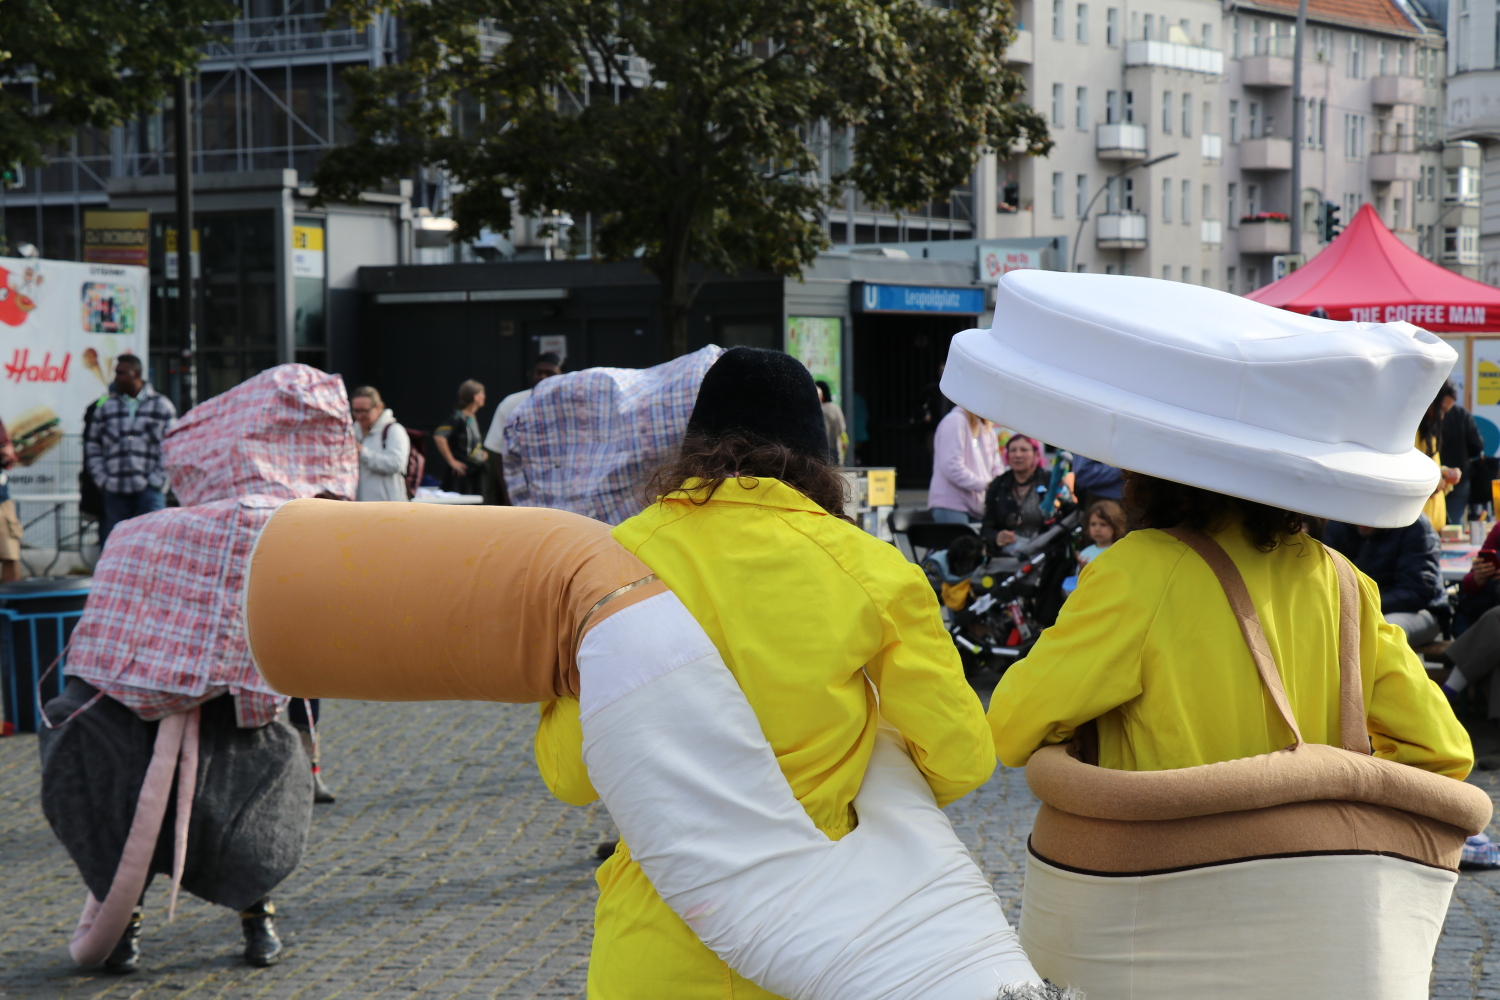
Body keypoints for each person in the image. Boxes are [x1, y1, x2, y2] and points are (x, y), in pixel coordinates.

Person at [948, 270, 1477, 998]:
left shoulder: (1139, 573)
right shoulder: (1345, 584)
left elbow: (1011, 727)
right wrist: (1317, 788)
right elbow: (1444, 751)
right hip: (1313, 945)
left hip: (1159, 927)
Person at [534, 346, 996, 998]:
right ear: (817, 458)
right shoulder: (873, 571)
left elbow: (571, 774)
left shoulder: (615, 560)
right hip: (812, 943)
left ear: (692, 447)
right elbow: (963, 758)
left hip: (653, 944)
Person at [38, 364, 357, 975]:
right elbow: (109, 628)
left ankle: (256, 915)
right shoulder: (154, 532)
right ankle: (127, 922)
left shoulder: (181, 529)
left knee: (248, 817)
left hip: (226, 714)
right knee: (126, 813)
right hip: (134, 710)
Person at [84, 354, 177, 546]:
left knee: (154, 544)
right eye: (116, 373)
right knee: (117, 546)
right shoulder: (106, 407)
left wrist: (158, 480)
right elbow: (92, 445)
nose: (116, 378)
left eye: (122, 373)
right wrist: (103, 479)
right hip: (115, 489)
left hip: (149, 490)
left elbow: (173, 446)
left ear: (137, 374)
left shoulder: (161, 405)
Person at [1322, 517, 1448, 647]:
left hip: (1419, 610)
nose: (1363, 518)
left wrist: (1362, 606)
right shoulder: (1339, 523)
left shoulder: (1414, 524)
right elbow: (1328, 579)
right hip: (1357, 608)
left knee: (1381, 633)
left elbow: (1416, 593)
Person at [483, 353, 561, 505]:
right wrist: (507, 495)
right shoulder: (511, 404)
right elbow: (499, 453)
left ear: (562, 375)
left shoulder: (574, 406)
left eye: (550, 373)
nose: (543, 377)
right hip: (523, 496)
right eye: (539, 372)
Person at [980, 434, 1071, 555]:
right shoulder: (997, 485)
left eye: (1024, 450)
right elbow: (986, 528)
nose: (1018, 455)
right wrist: (997, 536)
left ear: (1036, 454)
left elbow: (1068, 516)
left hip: (1046, 552)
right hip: (1007, 555)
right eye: (1013, 450)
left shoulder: (1050, 481)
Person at [928, 405, 1004, 523]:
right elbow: (952, 466)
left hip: (978, 505)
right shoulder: (955, 421)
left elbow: (996, 465)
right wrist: (985, 485)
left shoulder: (987, 428)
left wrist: (999, 482)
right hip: (951, 503)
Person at [1417, 380, 1463, 532]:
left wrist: (1444, 474)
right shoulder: (1410, 434)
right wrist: (1434, 481)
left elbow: (1430, 470)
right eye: (1441, 410)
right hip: (1419, 529)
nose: (1442, 417)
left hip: (1433, 527)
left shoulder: (1429, 435)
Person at [350, 386, 410, 502]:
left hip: (389, 507)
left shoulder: (394, 430)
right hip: (359, 507)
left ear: (379, 407)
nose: (359, 416)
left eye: (364, 411)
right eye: (356, 411)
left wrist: (363, 453)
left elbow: (397, 464)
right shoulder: (353, 431)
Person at [432, 379, 487, 496]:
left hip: (473, 475)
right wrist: (452, 461)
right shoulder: (458, 418)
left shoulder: (472, 417)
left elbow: (468, 444)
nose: (484, 396)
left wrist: (479, 453)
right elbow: (439, 436)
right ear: (475, 397)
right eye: (482, 393)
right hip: (461, 477)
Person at [1442, 384, 1485, 523]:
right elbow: (1477, 445)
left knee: (1431, 522)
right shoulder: (1462, 414)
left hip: (1435, 476)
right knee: (1455, 523)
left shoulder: (1428, 417)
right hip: (1459, 475)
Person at [1077, 498, 1126, 566]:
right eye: (1093, 524)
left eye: (1103, 524)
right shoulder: (1085, 555)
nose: (1097, 529)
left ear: (1116, 527)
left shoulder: (1121, 552)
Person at [0, 418, 20, 582]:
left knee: (10, 554)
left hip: (2, 500)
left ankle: (10, 595)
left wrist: (7, 453)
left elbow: (8, 457)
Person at [816, 380, 846, 464]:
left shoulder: (813, 410)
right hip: (833, 447)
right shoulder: (834, 408)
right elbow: (841, 428)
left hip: (819, 450)